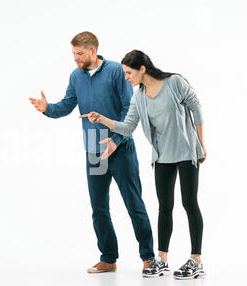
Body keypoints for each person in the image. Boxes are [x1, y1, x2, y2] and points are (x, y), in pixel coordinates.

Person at [29, 32, 155, 273]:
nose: (75, 58)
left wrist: (116, 140)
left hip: (119, 145)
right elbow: (67, 105)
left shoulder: (117, 72)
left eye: (79, 54)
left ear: (93, 51)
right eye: (73, 54)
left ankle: (148, 257)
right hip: (94, 147)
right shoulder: (76, 76)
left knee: (133, 203)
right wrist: (47, 108)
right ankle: (108, 258)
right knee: (99, 206)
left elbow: (130, 108)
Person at [80, 50, 207, 280]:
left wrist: (201, 144)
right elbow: (128, 127)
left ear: (142, 69)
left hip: (187, 152)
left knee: (189, 203)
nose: (126, 77)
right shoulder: (138, 97)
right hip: (162, 157)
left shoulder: (174, 83)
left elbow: (196, 107)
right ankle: (162, 259)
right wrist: (102, 119)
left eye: (129, 73)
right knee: (164, 207)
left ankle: (196, 260)